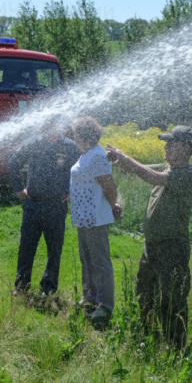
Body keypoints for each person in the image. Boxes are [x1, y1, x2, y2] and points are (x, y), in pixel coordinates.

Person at [105, 126, 192, 348]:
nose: (165, 147)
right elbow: (142, 169)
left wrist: (125, 157)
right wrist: (120, 158)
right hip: (152, 247)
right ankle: (146, 338)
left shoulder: (185, 174)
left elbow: (151, 176)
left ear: (186, 148)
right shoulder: (168, 167)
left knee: (172, 300)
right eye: (165, 143)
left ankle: (176, 348)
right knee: (144, 295)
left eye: (171, 143)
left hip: (172, 248)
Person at [9, 130, 81, 296]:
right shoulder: (33, 142)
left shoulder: (70, 146)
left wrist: (72, 191)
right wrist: (19, 188)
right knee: (26, 247)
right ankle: (21, 286)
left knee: (54, 249)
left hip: (56, 205)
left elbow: (80, 171)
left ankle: (48, 288)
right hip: (33, 203)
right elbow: (14, 162)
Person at [69, 117, 122, 327]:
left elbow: (110, 186)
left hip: (96, 218)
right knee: (87, 261)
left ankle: (105, 306)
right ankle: (89, 298)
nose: (73, 137)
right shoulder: (87, 154)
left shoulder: (97, 156)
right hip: (84, 217)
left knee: (100, 262)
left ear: (83, 136)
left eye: (75, 134)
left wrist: (113, 205)